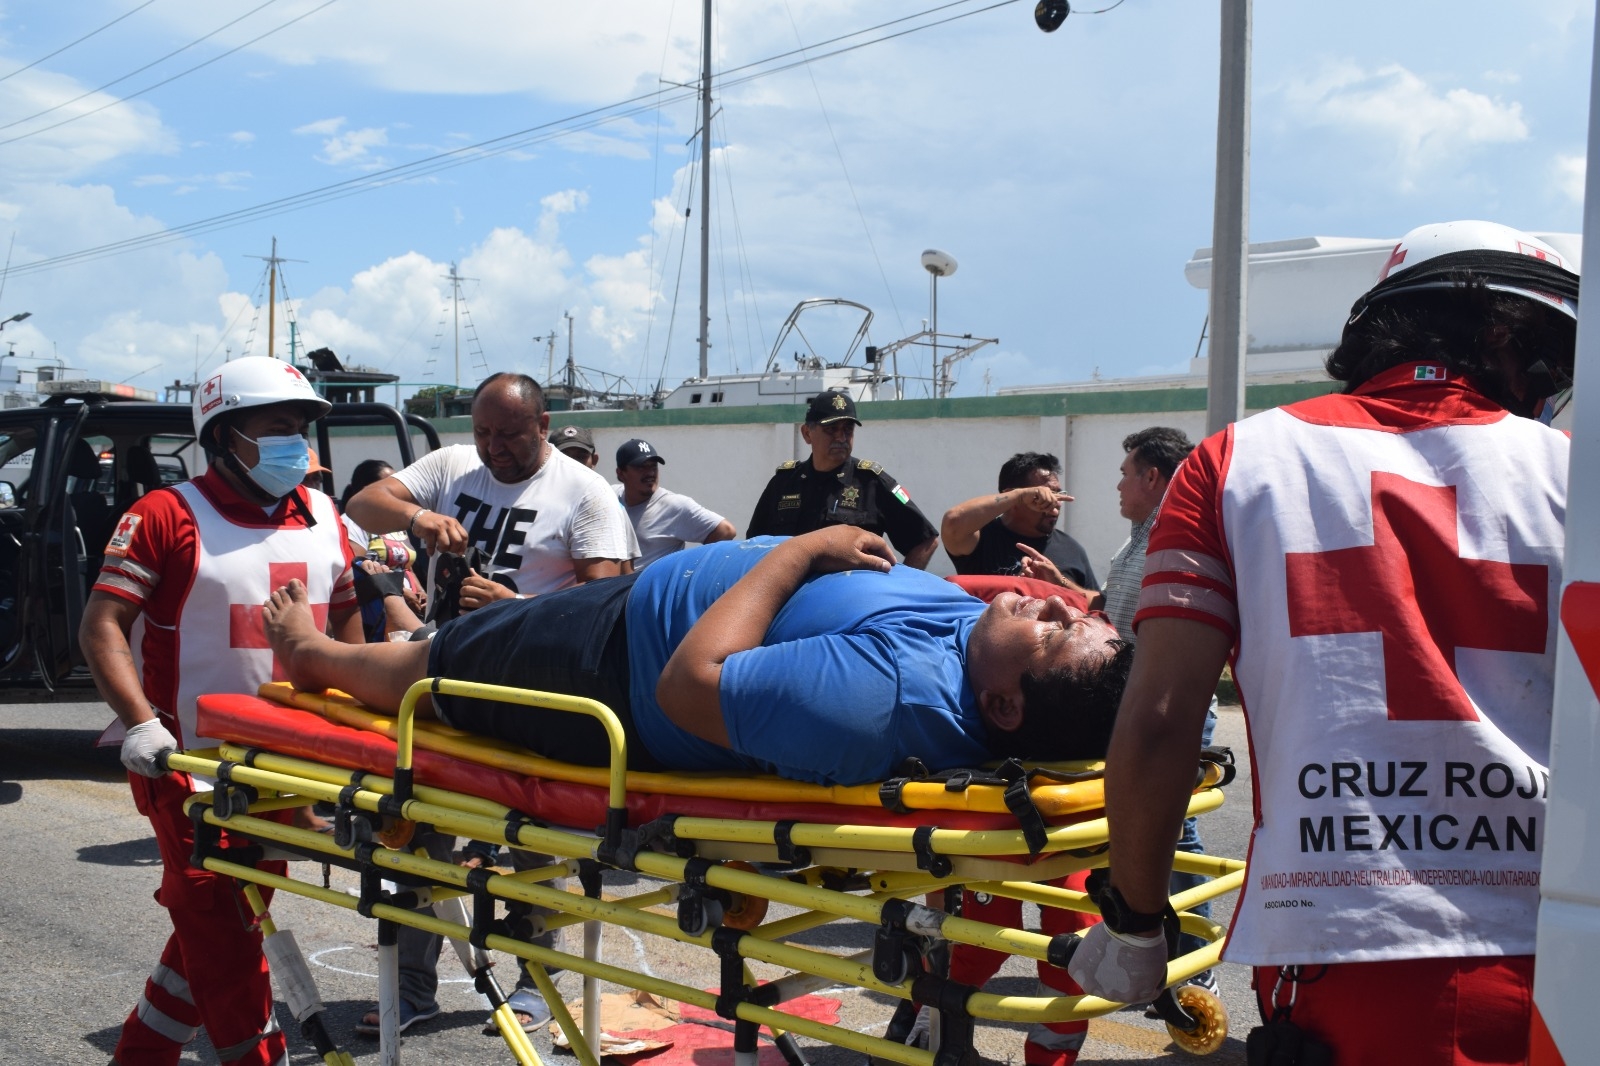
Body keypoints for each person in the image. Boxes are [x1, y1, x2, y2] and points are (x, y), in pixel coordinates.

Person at [1068, 220, 1577, 1065]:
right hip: (1559, 948)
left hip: (1343, 957)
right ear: (1498, 334)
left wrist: (1135, 921)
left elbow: (1159, 718)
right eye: (1547, 357)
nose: (1549, 386)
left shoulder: (1234, 463)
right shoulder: (1576, 473)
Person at [262, 527, 1136, 785]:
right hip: (637, 610)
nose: (1060, 605)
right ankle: (365, 640)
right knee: (450, 641)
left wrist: (799, 551)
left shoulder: (886, 697)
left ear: (1007, 709)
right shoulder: (978, 654)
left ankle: (313, 659)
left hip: (614, 664)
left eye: (1060, 630)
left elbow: (691, 689)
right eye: (1075, 611)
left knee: (438, 668)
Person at [79, 356, 361, 1066]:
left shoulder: (330, 519)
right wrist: (140, 723)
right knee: (223, 918)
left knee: (226, 918)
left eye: (301, 429)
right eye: (276, 428)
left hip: (296, 765)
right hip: (186, 767)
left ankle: (140, 1054)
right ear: (225, 434)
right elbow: (101, 625)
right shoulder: (164, 515)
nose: (295, 443)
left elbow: (351, 632)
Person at [346, 373, 632, 607]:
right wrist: (418, 516)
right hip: (446, 653)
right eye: (482, 433)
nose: (494, 448)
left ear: (542, 425)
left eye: (508, 434)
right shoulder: (452, 464)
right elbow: (361, 505)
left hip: (528, 665)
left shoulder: (586, 491)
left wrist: (513, 603)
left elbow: (602, 597)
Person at [747, 390, 939, 570]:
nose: (841, 437)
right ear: (807, 433)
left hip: (850, 598)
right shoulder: (784, 482)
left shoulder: (872, 482)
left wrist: (899, 589)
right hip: (793, 597)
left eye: (848, 429)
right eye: (831, 429)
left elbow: (925, 540)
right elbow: (754, 545)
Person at [942, 452, 1097, 588]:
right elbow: (953, 521)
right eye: (1042, 496)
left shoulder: (1071, 549)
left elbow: (1097, 606)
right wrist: (1019, 496)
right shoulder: (981, 538)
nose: (1054, 503)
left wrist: (1060, 583)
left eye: (1058, 494)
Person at [614, 437, 735, 569]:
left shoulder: (674, 506)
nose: (650, 473)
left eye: (653, 466)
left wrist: (692, 569)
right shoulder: (611, 496)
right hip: (613, 586)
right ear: (621, 474)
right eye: (640, 467)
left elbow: (726, 531)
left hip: (652, 588)